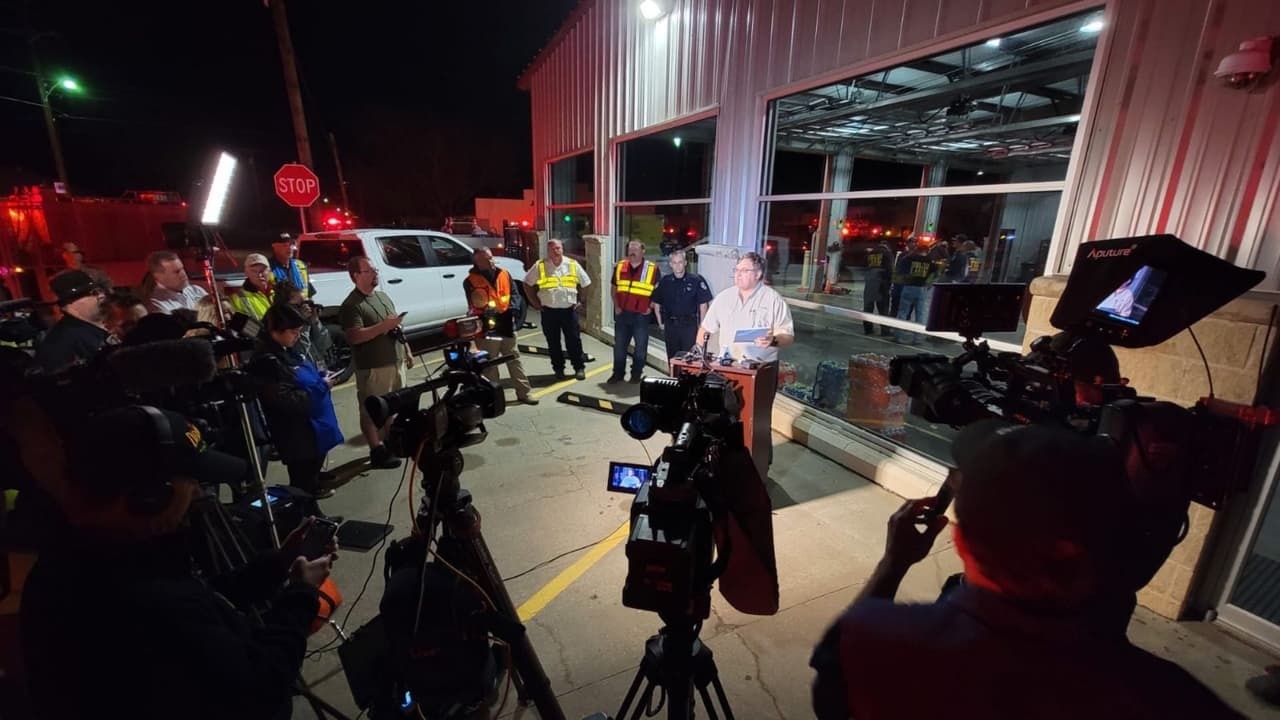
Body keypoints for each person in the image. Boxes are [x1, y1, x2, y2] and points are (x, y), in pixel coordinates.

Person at [809, 420, 1241, 720]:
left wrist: (893, 565)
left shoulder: (880, 638)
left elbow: (830, 700)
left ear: (959, 542)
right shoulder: (1167, 699)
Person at [18, 402, 336, 720]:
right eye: (191, 481)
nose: (199, 492)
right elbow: (261, 686)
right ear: (150, 497)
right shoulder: (145, 600)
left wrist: (277, 565)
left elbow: (204, 601)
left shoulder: (84, 560)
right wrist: (300, 595)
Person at [249, 305, 344, 501]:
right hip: (297, 434)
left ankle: (311, 515)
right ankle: (305, 519)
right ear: (276, 331)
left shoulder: (288, 351)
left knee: (310, 478)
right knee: (301, 482)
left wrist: (319, 376)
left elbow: (301, 375)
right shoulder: (267, 363)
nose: (297, 337)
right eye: (293, 332)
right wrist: (321, 387)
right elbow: (286, 400)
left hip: (312, 430)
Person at [340, 256, 410, 469]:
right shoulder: (352, 305)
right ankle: (376, 449)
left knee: (394, 405)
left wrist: (407, 350)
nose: (375, 274)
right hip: (373, 366)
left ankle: (390, 441)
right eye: (369, 271)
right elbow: (355, 336)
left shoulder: (382, 296)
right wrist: (383, 326)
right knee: (372, 409)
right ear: (356, 276)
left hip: (395, 361)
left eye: (375, 270)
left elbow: (395, 327)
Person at [464, 246, 536, 404]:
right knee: (490, 364)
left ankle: (524, 393)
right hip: (487, 325)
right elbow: (474, 304)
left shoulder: (504, 273)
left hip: (506, 321)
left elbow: (515, 295)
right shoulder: (470, 281)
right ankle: (495, 398)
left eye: (491, 257)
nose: (491, 261)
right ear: (477, 262)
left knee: (514, 358)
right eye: (486, 259)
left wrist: (512, 313)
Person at [524, 238, 591, 381]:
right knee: (553, 342)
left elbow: (586, 283)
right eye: (553, 248)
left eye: (558, 248)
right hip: (549, 311)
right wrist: (535, 303)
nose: (556, 251)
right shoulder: (540, 266)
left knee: (574, 341)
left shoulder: (572, 264)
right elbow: (527, 283)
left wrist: (580, 301)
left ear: (562, 249)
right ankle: (558, 369)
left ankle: (579, 368)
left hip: (569, 311)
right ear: (548, 251)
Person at [34, 270, 109, 373]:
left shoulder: (113, 323)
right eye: (93, 293)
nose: (101, 296)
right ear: (69, 302)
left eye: (100, 290)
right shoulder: (59, 344)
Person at [610, 241, 660, 383]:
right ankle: (617, 374)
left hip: (641, 316)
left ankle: (636, 374)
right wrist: (616, 306)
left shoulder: (652, 269)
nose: (632, 251)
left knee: (640, 348)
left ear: (643, 251)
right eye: (630, 248)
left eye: (635, 248)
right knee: (619, 346)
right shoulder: (620, 266)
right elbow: (614, 288)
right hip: (623, 314)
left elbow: (657, 292)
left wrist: (650, 307)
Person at [652, 250, 713, 359]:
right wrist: (660, 323)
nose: (677, 266)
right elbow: (657, 303)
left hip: (689, 327)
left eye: (680, 262)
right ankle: (674, 376)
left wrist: (702, 327)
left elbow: (703, 305)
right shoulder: (665, 282)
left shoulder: (696, 281)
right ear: (670, 264)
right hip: (670, 327)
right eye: (674, 263)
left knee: (689, 359)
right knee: (672, 359)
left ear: (685, 263)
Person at [274, 281, 332, 370]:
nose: (305, 308)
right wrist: (301, 324)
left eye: (306, 303)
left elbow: (325, 345)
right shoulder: (282, 329)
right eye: (299, 305)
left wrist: (315, 322)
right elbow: (300, 354)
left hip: (317, 372)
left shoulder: (307, 321)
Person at [892, 237, 931, 343]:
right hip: (922, 288)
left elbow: (900, 270)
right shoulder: (929, 260)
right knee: (921, 314)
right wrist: (928, 283)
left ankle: (898, 336)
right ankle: (918, 338)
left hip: (909, 287)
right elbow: (935, 273)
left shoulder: (909, 258)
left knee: (903, 312)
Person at [145, 250, 208, 314]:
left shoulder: (196, 290)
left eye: (182, 268)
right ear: (159, 277)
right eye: (177, 272)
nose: (183, 274)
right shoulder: (157, 305)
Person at [230, 253, 274, 321]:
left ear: (270, 270)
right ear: (246, 273)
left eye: (262, 270)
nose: (259, 275)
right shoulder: (238, 299)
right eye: (254, 271)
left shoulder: (282, 291)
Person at [861, 240, 893, 336]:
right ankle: (885, 331)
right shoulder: (887, 254)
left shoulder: (870, 253)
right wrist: (889, 284)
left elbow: (864, 266)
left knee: (868, 307)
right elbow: (890, 270)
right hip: (881, 283)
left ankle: (868, 329)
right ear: (887, 246)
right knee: (883, 308)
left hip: (870, 282)